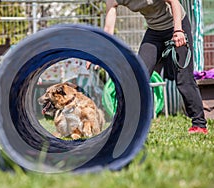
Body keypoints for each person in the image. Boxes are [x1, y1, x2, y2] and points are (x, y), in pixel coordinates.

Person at [87, 0, 208, 134]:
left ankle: (199, 124)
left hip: (176, 24)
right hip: (154, 31)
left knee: (183, 80)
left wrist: (178, 30)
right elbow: (109, 28)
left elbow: (174, 2)